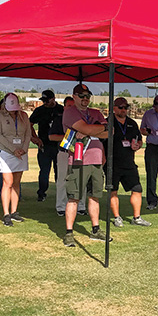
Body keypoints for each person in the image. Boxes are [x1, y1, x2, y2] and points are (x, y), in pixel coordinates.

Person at [61, 83, 110, 246]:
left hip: (96, 159)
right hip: (78, 160)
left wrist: (94, 129)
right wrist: (98, 128)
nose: (85, 99)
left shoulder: (95, 112)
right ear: (74, 97)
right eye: (81, 96)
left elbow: (110, 131)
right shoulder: (70, 112)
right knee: (74, 197)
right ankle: (69, 233)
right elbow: (86, 128)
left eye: (87, 96)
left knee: (95, 195)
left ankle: (96, 229)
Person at [107, 98, 151, 227]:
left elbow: (139, 139)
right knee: (113, 190)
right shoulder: (108, 122)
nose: (123, 110)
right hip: (112, 163)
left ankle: (136, 217)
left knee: (137, 189)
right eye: (120, 107)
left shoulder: (132, 123)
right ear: (114, 108)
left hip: (129, 162)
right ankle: (117, 217)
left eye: (126, 107)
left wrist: (138, 145)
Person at [0, 93, 32, 226]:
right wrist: (13, 149)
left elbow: (28, 134)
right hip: (6, 151)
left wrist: (24, 149)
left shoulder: (24, 116)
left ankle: (14, 211)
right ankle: (6, 213)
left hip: (21, 152)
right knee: (7, 182)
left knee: (16, 182)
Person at [50, 96, 84, 216]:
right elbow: (51, 136)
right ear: (64, 107)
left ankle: (81, 205)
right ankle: (61, 206)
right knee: (63, 179)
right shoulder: (59, 119)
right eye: (69, 106)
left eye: (73, 106)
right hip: (64, 153)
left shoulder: (82, 119)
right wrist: (68, 138)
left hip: (79, 153)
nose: (71, 109)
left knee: (81, 179)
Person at [29, 89, 64, 202]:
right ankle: (42, 193)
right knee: (44, 171)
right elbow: (29, 124)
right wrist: (35, 138)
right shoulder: (39, 110)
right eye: (43, 100)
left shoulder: (61, 110)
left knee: (59, 171)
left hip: (59, 145)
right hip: (44, 145)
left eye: (47, 100)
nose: (45, 103)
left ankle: (60, 192)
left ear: (53, 99)